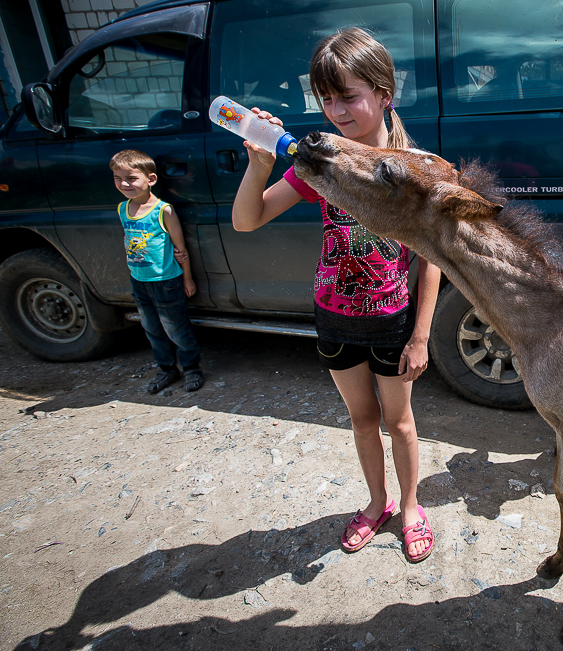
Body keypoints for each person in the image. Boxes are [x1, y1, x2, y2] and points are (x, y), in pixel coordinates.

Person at [231, 28, 440, 563]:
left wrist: (420, 336)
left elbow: (433, 258)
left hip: (393, 321)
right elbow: (248, 219)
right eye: (326, 98)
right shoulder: (317, 164)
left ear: (384, 93)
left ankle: (411, 506)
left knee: (400, 422)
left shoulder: (415, 167)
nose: (337, 110)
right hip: (334, 318)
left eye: (349, 95)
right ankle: (377, 503)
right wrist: (259, 167)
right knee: (361, 419)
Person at [111, 150, 204, 395]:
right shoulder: (122, 209)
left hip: (166, 281)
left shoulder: (163, 211)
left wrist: (187, 277)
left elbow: (181, 249)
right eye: (118, 178)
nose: (124, 184)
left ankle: (191, 368)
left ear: (151, 179)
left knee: (176, 328)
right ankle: (166, 369)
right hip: (139, 280)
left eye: (131, 178)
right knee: (151, 328)